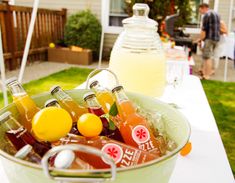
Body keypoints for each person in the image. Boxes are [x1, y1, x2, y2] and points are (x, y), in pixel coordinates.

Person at [198, 3, 220, 80]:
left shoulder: (207, 15)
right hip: (216, 39)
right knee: (208, 56)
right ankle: (204, 72)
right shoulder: (216, 14)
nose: (200, 13)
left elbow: (204, 30)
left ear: (203, 8)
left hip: (209, 38)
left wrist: (200, 40)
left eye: (200, 10)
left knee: (207, 57)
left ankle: (206, 75)